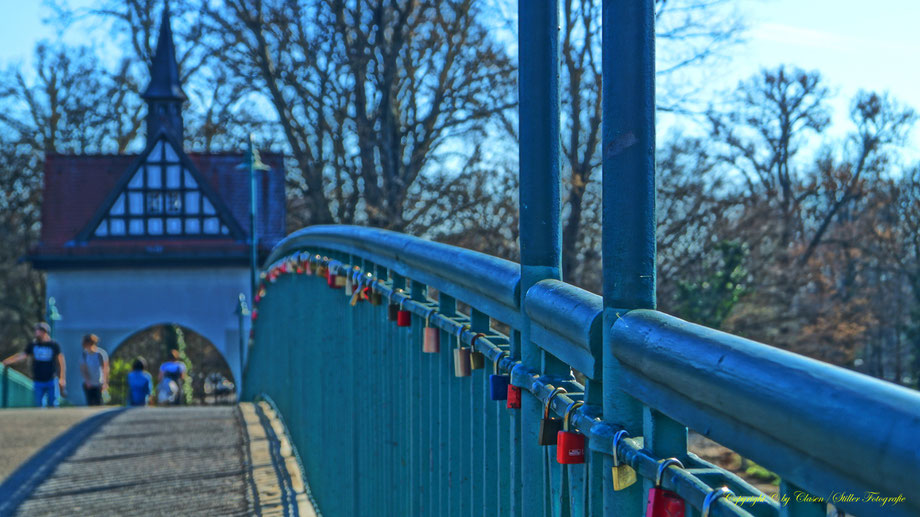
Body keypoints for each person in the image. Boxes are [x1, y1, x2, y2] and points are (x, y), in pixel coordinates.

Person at [2, 322, 66, 407]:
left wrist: (62, 378)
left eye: (37, 331)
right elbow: (22, 355)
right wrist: (7, 361)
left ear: (44, 332)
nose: (36, 333)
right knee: (39, 405)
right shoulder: (33, 345)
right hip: (38, 380)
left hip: (51, 379)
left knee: (53, 404)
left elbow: (61, 361)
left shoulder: (54, 345)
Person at [79, 334, 109, 406]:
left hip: (99, 383)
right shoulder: (84, 355)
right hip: (89, 384)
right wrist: (87, 381)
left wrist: (105, 382)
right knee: (90, 403)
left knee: (99, 403)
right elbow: (83, 370)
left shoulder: (101, 354)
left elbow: (105, 368)